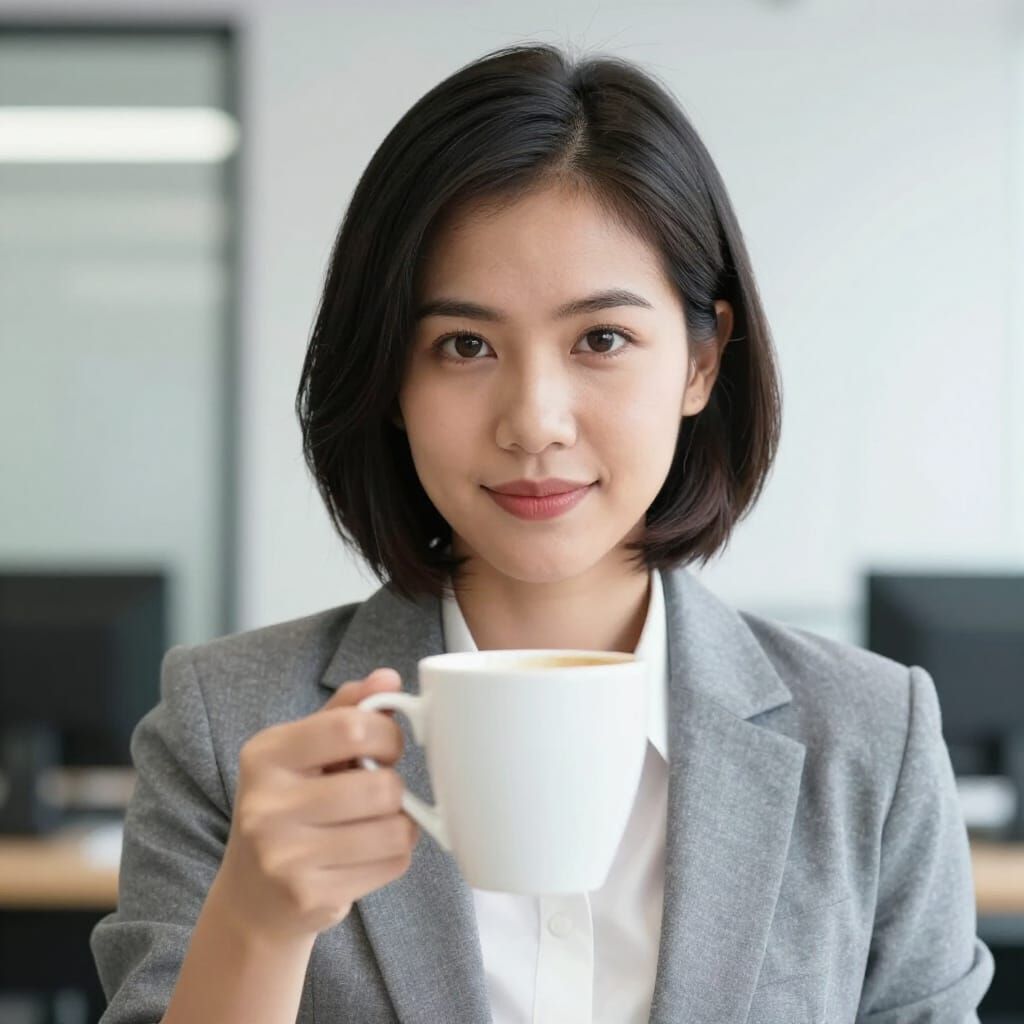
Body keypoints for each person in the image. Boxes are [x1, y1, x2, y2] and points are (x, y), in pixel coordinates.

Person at [90, 41, 994, 1023]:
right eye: (463, 345)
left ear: (700, 361)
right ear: (392, 378)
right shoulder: (230, 725)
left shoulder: (868, 735)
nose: (534, 420)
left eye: (600, 339)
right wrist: (258, 924)